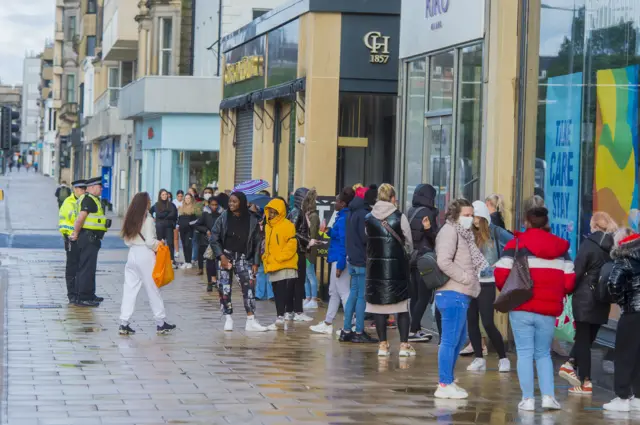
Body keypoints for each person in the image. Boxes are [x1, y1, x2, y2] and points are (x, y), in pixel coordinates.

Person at [494, 206, 574, 411]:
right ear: (547, 223)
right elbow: (569, 282)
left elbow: (501, 274)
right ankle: (548, 397)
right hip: (547, 310)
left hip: (521, 306)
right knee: (543, 353)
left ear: (527, 223)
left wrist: (512, 292)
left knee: (524, 352)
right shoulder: (561, 249)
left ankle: (527, 399)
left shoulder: (515, 244)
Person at [434, 199, 488, 399]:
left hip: (460, 293)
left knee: (457, 340)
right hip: (452, 292)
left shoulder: (464, 234)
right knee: (450, 340)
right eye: (466, 215)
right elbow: (443, 261)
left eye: (471, 214)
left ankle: (447, 378)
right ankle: (444, 383)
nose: (470, 219)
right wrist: (465, 277)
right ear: (455, 215)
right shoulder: (449, 232)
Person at [558, 212, 617, 395]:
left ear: (593, 226)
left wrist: (566, 290)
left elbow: (576, 272)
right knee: (588, 339)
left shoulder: (589, 245)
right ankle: (570, 363)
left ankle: (585, 382)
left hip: (584, 299)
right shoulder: (614, 248)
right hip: (602, 300)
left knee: (583, 341)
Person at [365, 184, 415, 356]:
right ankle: (403, 345)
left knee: (379, 307)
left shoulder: (368, 218)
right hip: (396, 269)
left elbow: (368, 240)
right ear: (393, 197)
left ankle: (383, 345)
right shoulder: (399, 217)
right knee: (401, 308)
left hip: (375, 270)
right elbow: (409, 241)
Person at [119, 192, 176, 335]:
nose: (150, 202)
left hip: (132, 254)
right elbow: (150, 242)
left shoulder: (130, 217)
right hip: (145, 255)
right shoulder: (148, 219)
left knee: (129, 289)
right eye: (148, 200)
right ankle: (160, 322)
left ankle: (124, 322)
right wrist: (160, 244)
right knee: (153, 288)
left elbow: (126, 240)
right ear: (145, 203)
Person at [210, 191, 268, 332]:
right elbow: (214, 237)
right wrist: (221, 256)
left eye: (234, 201)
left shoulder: (252, 219)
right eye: (230, 201)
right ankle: (228, 318)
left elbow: (257, 242)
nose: (231, 204)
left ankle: (251, 320)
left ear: (241, 202)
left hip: (243, 257)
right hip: (225, 256)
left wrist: (255, 262)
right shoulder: (224, 217)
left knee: (248, 288)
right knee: (224, 288)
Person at [465, 201, 512, 373]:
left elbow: (515, 244)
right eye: (471, 217)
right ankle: (478, 357)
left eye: (476, 216)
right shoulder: (468, 232)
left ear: (484, 217)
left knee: (487, 322)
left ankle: (503, 358)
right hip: (470, 282)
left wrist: (502, 263)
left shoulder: (495, 232)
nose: (474, 220)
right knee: (471, 321)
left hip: (487, 283)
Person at [602, 229, 640, 412]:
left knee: (624, 355)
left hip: (632, 312)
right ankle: (638, 398)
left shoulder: (624, 258)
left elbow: (613, 283)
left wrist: (622, 301)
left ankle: (623, 397)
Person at [310, 188, 354, 335]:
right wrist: (328, 231)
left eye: (337, 201)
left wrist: (340, 265)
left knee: (343, 292)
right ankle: (328, 322)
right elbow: (338, 237)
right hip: (337, 258)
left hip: (339, 259)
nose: (335, 203)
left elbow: (344, 244)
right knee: (334, 292)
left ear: (342, 203)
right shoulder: (343, 218)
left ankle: (351, 324)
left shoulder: (343, 219)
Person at [340, 187, 377, 343]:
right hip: (362, 260)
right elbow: (365, 238)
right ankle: (359, 331)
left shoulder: (350, 212)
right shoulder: (363, 214)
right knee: (361, 297)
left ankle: (346, 329)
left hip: (352, 260)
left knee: (353, 294)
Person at [407, 183, 439, 343]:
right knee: (424, 296)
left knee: (415, 296)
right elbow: (433, 236)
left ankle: (416, 328)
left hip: (412, 258)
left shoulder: (411, 211)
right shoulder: (428, 212)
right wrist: (429, 229)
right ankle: (413, 330)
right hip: (425, 259)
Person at [70, 177, 109, 307]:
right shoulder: (88, 199)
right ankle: (83, 297)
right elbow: (81, 218)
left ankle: (90, 294)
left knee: (89, 268)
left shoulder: (92, 199)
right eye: (99, 186)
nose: (101, 188)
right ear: (91, 187)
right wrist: (75, 233)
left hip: (92, 238)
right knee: (86, 268)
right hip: (88, 238)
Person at [262, 198, 298, 329]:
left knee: (283, 290)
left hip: (285, 263)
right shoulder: (267, 226)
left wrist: (281, 257)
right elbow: (267, 244)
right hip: (272, 263)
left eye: (274, 212)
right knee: (276, 291)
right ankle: (283, 314)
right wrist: (265, 257)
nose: (271, 215)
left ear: (280, 212)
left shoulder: (288, 225)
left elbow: (292, 244)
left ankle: (281, 316)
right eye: (269, 212)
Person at [286, 188, 314, 322]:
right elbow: (292, 232)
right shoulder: (297, 213)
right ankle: (297, 311)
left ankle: (291, 310)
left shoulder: (298, 212)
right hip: (297, 252)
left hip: (297, 251)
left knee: (295, 281)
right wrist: (308, 240)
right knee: (298, 282)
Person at [58, 180, 87, 304]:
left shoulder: (84, 201)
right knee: (72, 267)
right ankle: (72, 294)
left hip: (81, 238)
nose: (83, 191)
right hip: (70, 238)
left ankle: (80, 292)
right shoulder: (69, 202)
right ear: (75, 189)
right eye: (81, 188)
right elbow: (74, 219)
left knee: (82, 267)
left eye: (85, 188)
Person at [195, 196, 221, 292]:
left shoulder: (221, 214)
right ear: (209, 205)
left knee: (217, 262)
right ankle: (210, 282)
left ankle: (216, 280)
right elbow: (197, 225)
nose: (214, 207)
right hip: (208, 242)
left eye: (216, 205)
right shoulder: (205, 214)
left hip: (218, 242)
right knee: (209, 262)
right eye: (212, 205)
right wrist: (206, 230)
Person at [303, 189, 321, 310]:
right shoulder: (309, 215)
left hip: (310, 248)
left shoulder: (313, 217)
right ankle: (308, 297)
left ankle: (313, 298)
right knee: (306, 275)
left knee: (310, 274)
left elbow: (313, 233)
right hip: (306, 248)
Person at [154, 189, 177, 263]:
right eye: (163, 194)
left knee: (170, 243)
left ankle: (172, 259)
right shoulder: (157, 204)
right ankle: (160, 259)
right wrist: (167, 212)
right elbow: (159, 214)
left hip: (169, 227)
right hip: (160, 227)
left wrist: (164, 214)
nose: (164, 196)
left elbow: (173, 215)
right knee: (161, 243)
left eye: (166, 194)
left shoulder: (171, 204)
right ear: (160, 196)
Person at [178, 194, 197, 269]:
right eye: (186, 198)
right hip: (182, 230)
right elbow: (179, 219)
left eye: (189, 198)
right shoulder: (181, 208)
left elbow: (196, 220)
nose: (187, 199)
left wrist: (189, 224)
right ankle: (186, 261)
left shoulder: (194, 208)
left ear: (191, 199)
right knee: (183, 245)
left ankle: (189, 262)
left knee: (188, 245)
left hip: (190, 230)